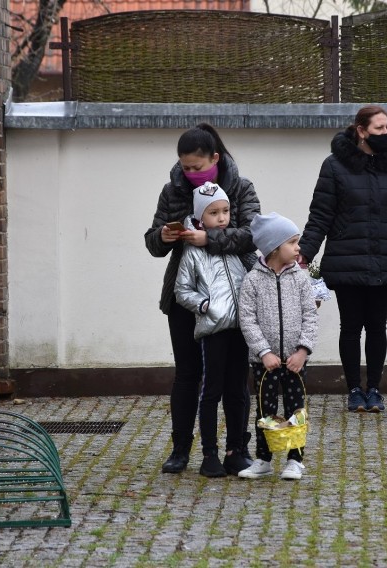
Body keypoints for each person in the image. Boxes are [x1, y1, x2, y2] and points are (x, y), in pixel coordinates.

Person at [145, 123, 261, 473]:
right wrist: (165, 236)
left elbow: (252, 236)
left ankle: (236, 449)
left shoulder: (241, 188)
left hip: (234, 300)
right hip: (185, 298)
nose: (190, 173)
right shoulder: (172, 191)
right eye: (185, 167)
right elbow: (152, 243)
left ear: (215, 158)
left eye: (197, 167)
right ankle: (181, 449)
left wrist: (208, 239)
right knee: (188, 373)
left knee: (234, 377)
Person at [298, 105, 387, 413]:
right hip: (346, 258)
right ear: (361, 130)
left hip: (385, 257)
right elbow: (321, 214)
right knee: (351, 326)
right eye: (379, 128)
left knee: (377, 326)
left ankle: (375, 390)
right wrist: (305, 252)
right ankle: (354, 389)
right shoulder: (334, 165)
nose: (386, 133)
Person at [175, 182, 253, 477]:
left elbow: (253, 273)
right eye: (214, 213)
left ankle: (237, 450)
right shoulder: (193, 252)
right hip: (213, 330)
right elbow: (182, 290)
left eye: (226, 211)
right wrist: (205, 305)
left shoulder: (234, 248)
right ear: (200, 218)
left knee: (238, 391)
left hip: (240, 328)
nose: (222, 218)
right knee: (211, 391)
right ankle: (210, 454)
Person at [237, 213, 318, 481]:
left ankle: (295, 460)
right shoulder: (253, 280)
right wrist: (264, 352)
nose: (298, 248)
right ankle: (263, 458)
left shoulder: (300, 279)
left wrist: (303, 351)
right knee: (265, 411)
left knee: (297, 410)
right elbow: (247, 319)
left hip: (295, 361)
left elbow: (310, 315)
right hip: (265, 363)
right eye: (293, 242)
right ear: (274, 247)